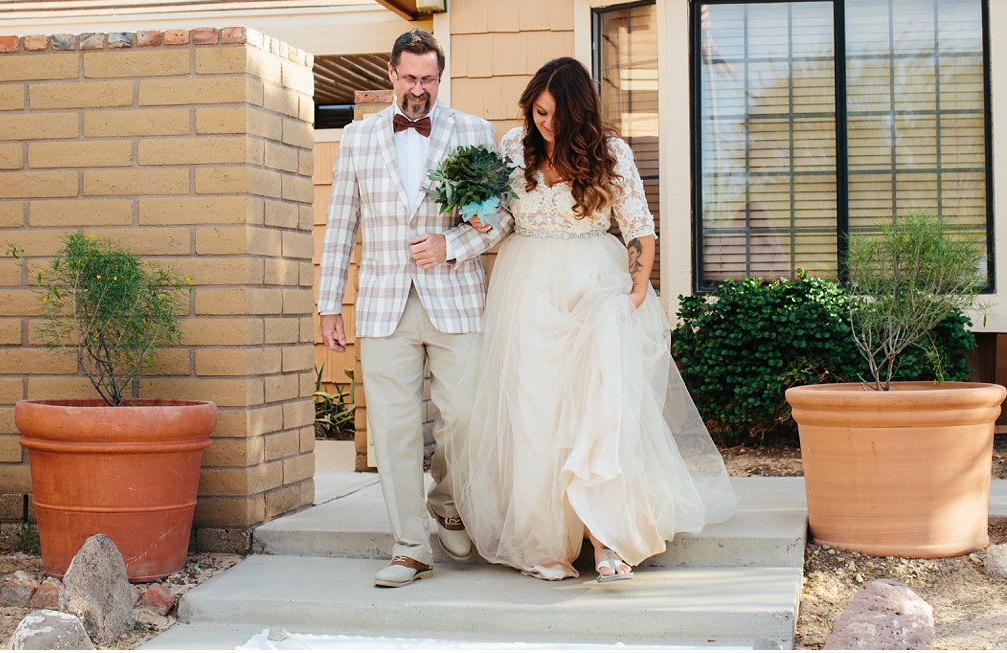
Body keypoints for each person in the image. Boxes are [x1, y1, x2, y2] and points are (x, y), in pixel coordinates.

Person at [444, 56, 737, 581]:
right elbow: (502, 221)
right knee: (535, 412)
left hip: (593, 292)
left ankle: (606, 540)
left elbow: (640, 231)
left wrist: (634, 292)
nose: (547, 125)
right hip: (527, 291)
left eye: (558, 116)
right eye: (539, 112)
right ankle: (542, 543)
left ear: (582, 114)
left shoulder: (612, 154)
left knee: (596, 412)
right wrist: (476, 218)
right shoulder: (514, 147)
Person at [316, 29, 508, 589]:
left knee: (467, 418)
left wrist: (451, 246)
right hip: (382, 305)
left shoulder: (474, 132)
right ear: (392, 75)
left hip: (456, 301)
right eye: (409, 78)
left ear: (439, 78)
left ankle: (447, 500)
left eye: (428, 79)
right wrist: (330, 304)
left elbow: (499, 217)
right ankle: (409, 547)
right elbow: (340, 226)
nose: (418, 89)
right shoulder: (356, 137)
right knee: (395, 432)